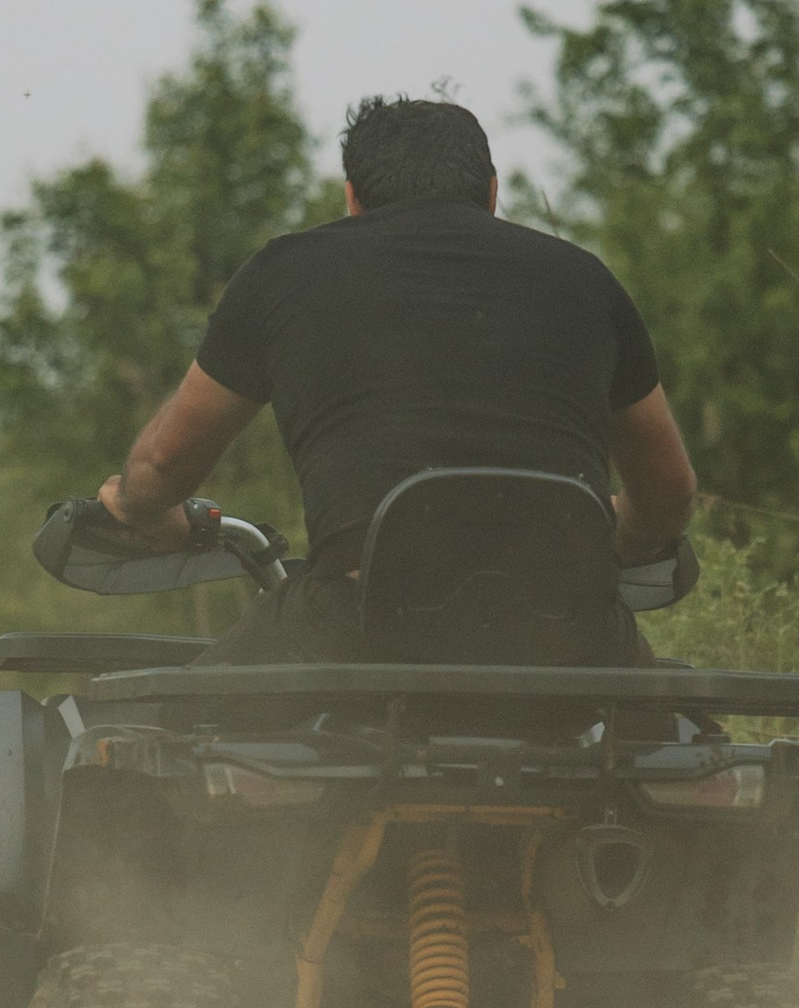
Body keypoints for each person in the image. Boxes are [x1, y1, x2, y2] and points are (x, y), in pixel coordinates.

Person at [94, 92, 696, 657]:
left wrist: (135, 507)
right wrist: (622, 533)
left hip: (354, 632)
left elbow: (165, 466)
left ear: (353, 198)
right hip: (567, 636)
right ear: (491, 194)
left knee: (179, 728)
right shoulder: (586, 281)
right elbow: (669, 496)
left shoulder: (285, 274)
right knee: (685, 742)